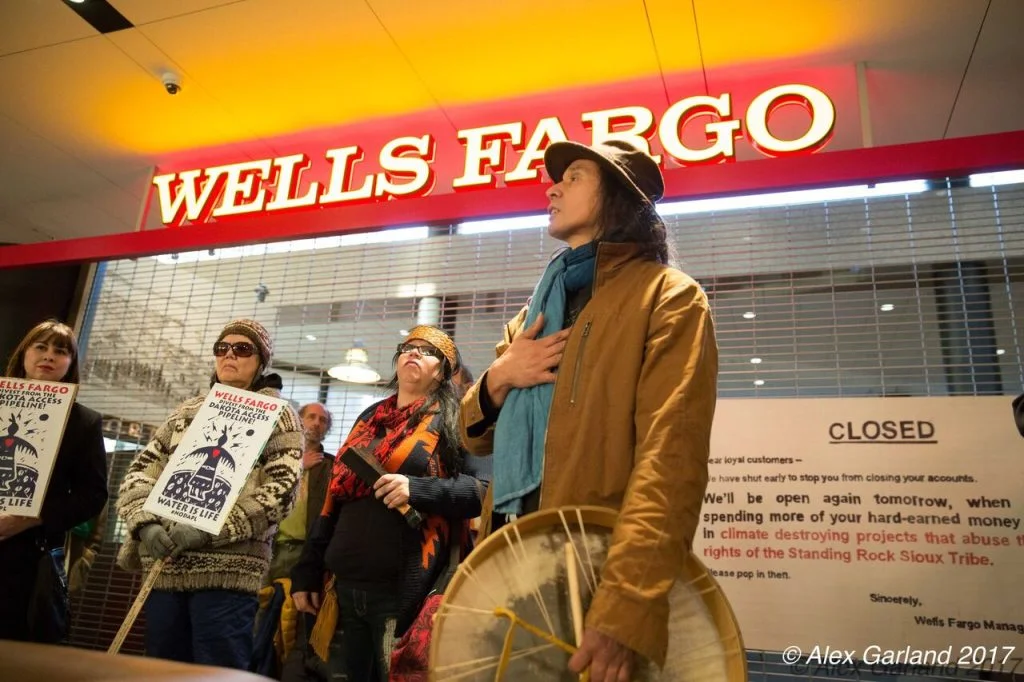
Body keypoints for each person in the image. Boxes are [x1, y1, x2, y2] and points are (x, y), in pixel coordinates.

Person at [459, 139, 719, 681]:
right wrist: (502, 375)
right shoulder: (535, 314)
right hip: (508, 565)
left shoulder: (669, 298)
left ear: (619, 196)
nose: (552, 187)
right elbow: (473, 437)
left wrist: (627, 610)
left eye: (574, 176)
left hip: (595, 577)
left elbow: (670, 463)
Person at [290, 326, 488, 682]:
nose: (413, 353)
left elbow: (481, 491)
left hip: (402, 594)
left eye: (427, 351)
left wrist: (417, 489)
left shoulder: (454, 419)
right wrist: (308, 570)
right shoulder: (369, 418)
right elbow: (332, 499)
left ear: (442, 370)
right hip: (342, 584)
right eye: (407, 347)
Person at [115, 319, 303, 670]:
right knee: (159, 673)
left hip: (229, 576)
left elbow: (282, 491)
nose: (229, 354)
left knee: (218, 674)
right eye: (222, 348)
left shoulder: (280, 416)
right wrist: (145, 524)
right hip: (166, 568)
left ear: (261, 361)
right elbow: (139, 472)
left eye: (242, 349)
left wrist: (210, 528)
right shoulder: (185, 413)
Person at [0, 319, 109, 642]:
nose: (49, 356)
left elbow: (93, 494)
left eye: (60, 351)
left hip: (29, 555)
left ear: (70, 364)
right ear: (23, 354)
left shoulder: (84, 422)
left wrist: (34, 517)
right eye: (41, 346)